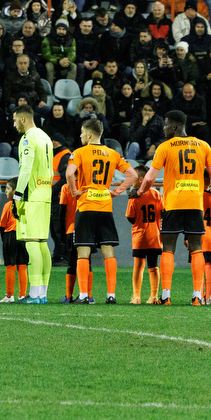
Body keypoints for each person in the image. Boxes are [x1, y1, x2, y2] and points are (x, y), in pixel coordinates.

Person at [138, 110, 211, 306]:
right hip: (195, 202)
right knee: (196, 248)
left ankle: (166, 296)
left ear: (175, 127)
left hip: (173, 202)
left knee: (168, 247)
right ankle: (197, 296)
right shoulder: (203, 145)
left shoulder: (165, 147)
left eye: (166, 125)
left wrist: (141, 192)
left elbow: (150, 177)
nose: (164, 129)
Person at [65, 119, 138, 304]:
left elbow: (69, 173)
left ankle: (83, 295)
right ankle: (111, 295)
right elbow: (133, 175)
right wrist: (117, 191)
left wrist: (74, 191)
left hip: (87, 204)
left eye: (82, 132)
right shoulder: (112, 153)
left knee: (83, 250)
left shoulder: (79, 153)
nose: (80, 135)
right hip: (105, 204)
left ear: (89, 134)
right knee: (108, 249)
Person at [9, 105, 56, 303]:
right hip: (46, 194)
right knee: (43, 243)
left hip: (32, 195)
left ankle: (35, 294)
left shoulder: (27, 138)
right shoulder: (45, 137)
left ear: (22, 119)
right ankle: (42, 293)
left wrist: (17, 194)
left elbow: (26, 168)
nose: (14, 124)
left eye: (14, 120)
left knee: (32, 243)